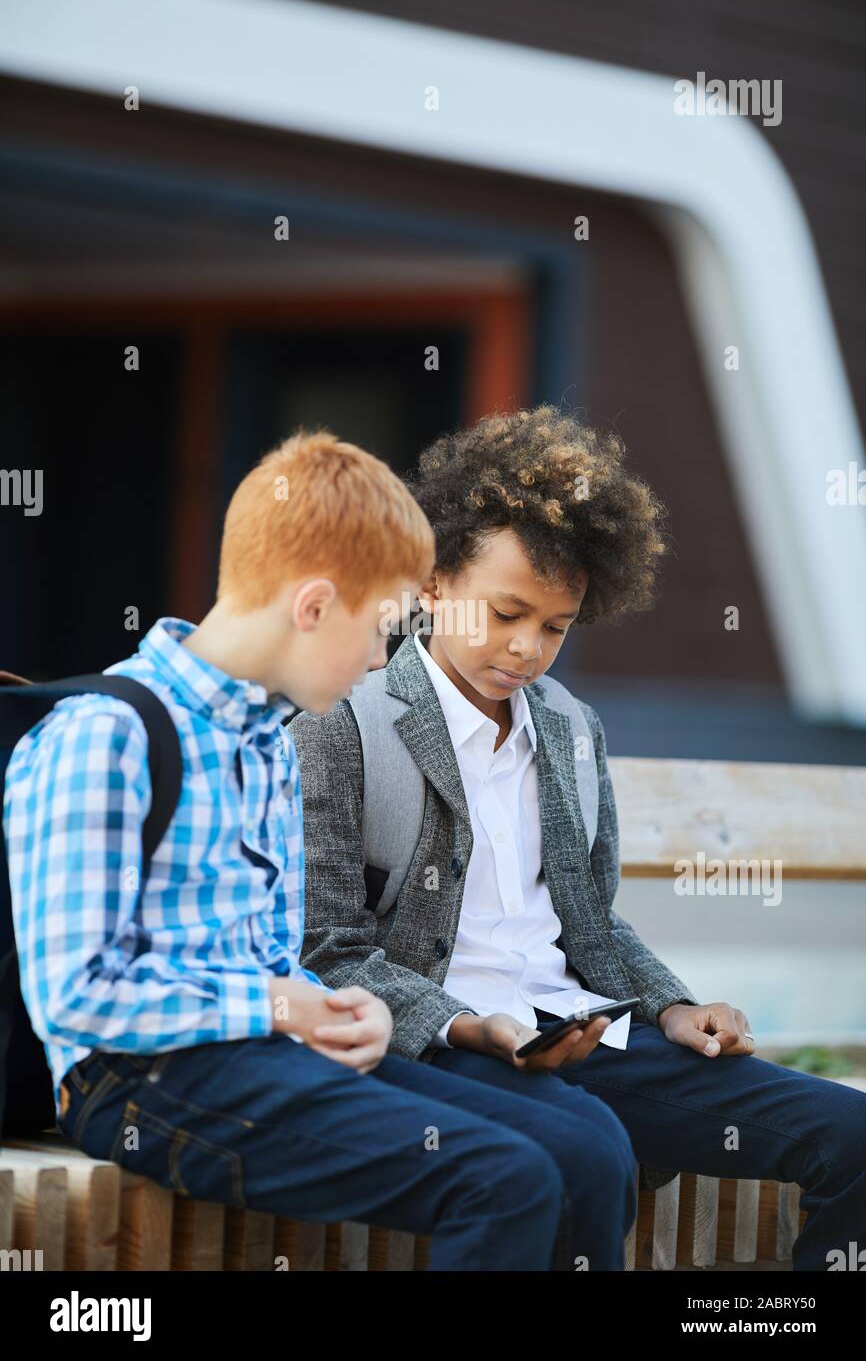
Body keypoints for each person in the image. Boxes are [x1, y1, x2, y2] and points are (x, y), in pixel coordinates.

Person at [4, 429, 636, 1271]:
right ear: (312, 606)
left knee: (588, 1147)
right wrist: (278, 1008)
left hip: (267, 1054)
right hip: (140, 1081)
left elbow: (279, 959)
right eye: (378, 630)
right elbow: (77, 998)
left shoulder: (267, 737)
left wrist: (339, 1007)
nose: (383, 659)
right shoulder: (104, 736)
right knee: (506, 1178)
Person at [289, 406, 866, 1272]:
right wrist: (469, 1027)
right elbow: (325, 950)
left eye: (555, 627)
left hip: (588, 1040)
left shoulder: (569, 729)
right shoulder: (344, 723)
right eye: (507, 612)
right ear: (435, 583)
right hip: (443, 1049)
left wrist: (673, 1006)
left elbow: (592, 924)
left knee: (852, 1134)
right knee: (584, 1157)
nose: (526, 649)